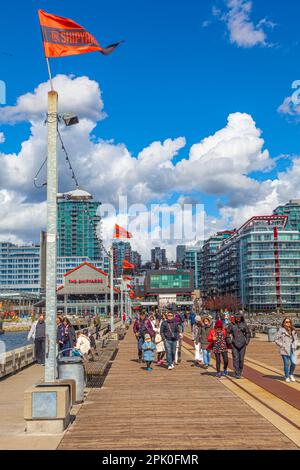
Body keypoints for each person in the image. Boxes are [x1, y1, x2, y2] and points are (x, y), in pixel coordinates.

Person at [227, 312, 251, 379]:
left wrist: (247, 341)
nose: (238, 318)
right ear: (234, 318)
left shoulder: (244, 325)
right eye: (236, 317)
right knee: (235, 358)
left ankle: (240, 371)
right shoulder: (231, 325)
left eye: (239, 317)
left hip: (243, 344)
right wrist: (229, 340)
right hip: (234, 343)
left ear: (241, 318)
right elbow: (227, 333)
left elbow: (248, 333)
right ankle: (236, 372)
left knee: (241, 359)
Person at [275, 318, 298, 383]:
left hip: (292, 349)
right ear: (283, 323)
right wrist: (282, 345)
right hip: (284, 349)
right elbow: (276, 340)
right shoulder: (281, 330)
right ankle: (287, 376)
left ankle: (291, 374)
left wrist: (296, 345)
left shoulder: (293, 330)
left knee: (293, 363)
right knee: (286, 363)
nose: (288, 323)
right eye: (286, 322)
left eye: (289, 322)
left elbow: (296, 339)